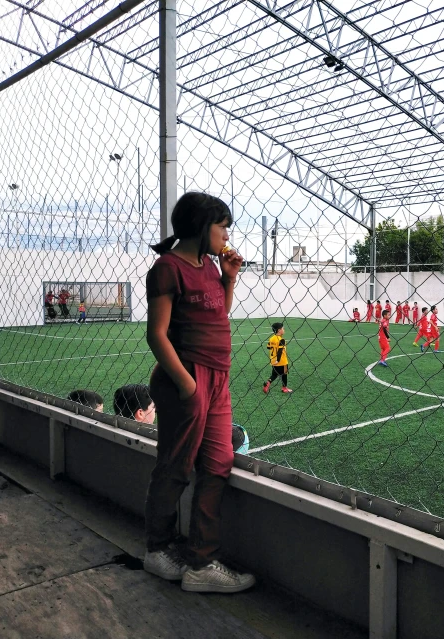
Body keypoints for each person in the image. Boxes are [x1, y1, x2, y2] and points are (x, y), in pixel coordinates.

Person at [143, 191, 254, 593]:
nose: (227, 234)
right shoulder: (168, 268)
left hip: (218, 379)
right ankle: (157, 548)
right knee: (175, 465)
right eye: (222, 226)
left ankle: (200, 562)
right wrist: (187, 385)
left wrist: (229, 279)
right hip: (185, 379)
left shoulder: (209, 266)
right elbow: (157, 335)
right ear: (200, 226)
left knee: (219, 463)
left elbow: (218, 313)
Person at [263, 322, 292, 393]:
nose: (284, 330)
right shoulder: (282, 340)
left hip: (273, 360)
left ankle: (268, 383)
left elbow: (268, 347)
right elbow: (280, 351)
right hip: (282, 361)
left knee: (274, 374)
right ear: (279, 330)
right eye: (283, 328)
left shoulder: (272, 338)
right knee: (284, 374)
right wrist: (278, 360)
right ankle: (284, 388)